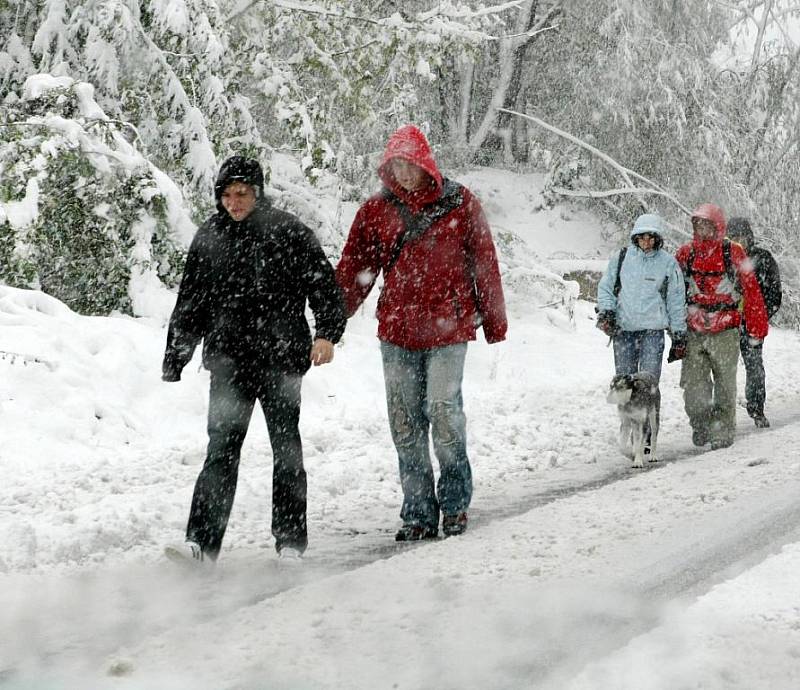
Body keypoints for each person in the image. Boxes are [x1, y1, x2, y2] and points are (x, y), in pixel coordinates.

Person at [161, 155, 346, 563]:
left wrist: (328, 334)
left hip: (281, 362)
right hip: (229, 364)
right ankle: (201, 546)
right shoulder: (210, 236)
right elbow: (191, 301)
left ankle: (291, 543)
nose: (234, 202)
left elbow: (325, 288)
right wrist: (176, 354)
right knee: (221, 452)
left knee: (286, 451)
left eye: (242, 193)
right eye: (226, 195)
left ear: (257, 192)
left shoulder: (288, 232)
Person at [335, 125, 507, 541]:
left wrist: (494, 320)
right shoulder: (376, 210)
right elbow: (355, 267)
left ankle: (454, 503)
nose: (404, 173)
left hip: (449, 328)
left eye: (410, 164)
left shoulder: (460, 203)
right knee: (405, 422)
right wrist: (332, 318)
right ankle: (417, 511)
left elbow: (484, 261)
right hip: (397, 330)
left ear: (425, 162)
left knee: (444, 413)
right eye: (397, 165)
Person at [674, 204, 768, 450]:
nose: (702, 229)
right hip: (695, 331)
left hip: (726, 330)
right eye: (698, 224)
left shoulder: (733, 252)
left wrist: (757, 328)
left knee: (725, 385)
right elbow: (672, 288)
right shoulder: (686, 253)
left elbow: (751, 290)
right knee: (694, 387)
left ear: (717, 226)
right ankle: (701, 424)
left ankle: (722, 430)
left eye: (707, 224)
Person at [596, 213, 688, 459]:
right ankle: (627, 429)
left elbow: (676, 299)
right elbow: (606, 287)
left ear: (658, 239)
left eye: (651, 238)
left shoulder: (668, 263)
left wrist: (679, 333)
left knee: (648, 385)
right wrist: (606, 311)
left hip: (652, 332)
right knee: (623, 386)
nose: (646, 242)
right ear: (635, 237)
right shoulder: (622, 258)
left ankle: (647, 434)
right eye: (642, 237)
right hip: (624, 330)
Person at [727, 217, 782, 428]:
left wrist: (762, 315)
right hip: (728, 324)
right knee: (724, 370)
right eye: (733, 236)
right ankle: (723, 413)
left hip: (752, 325)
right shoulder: (725, 257)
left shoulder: (763, 258)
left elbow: (774, 292)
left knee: (755, 367)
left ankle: (757, 408)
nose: (737, 240)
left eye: (740, 236)